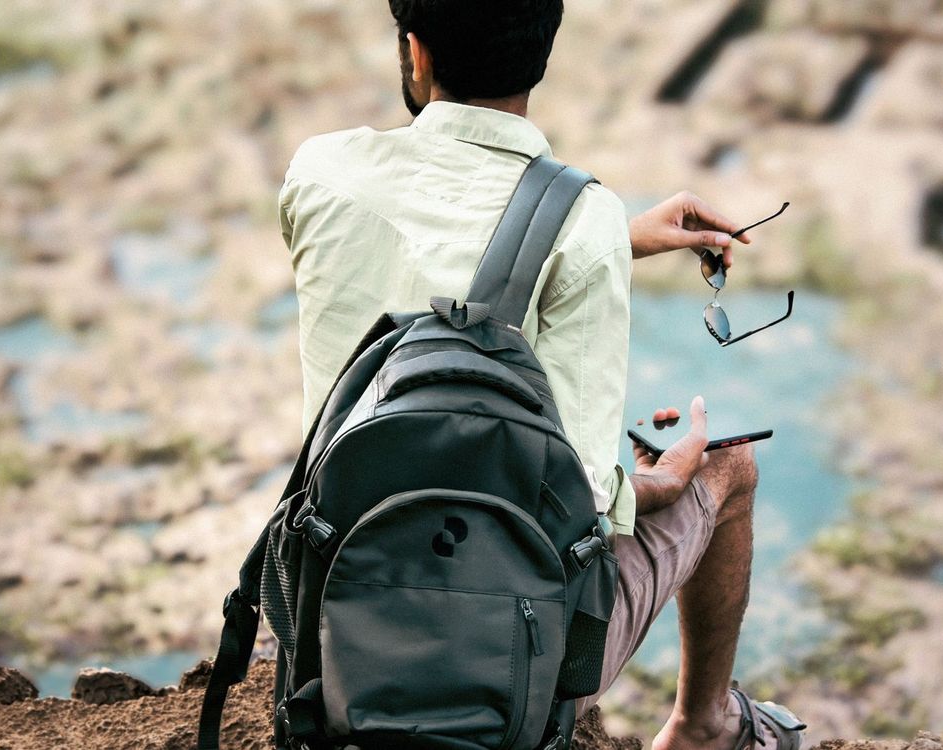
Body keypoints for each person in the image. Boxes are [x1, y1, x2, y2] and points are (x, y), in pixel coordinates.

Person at [277, 2, 805, 748]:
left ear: (417, 51)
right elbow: (586, 505)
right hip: (506, 650)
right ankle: (703, 726)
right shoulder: (581, 216)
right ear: (543, 53)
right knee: (728, 466)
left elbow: (421, 285)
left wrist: (608, 247)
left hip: (332, 606)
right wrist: (665, 480)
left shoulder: (320, 174)